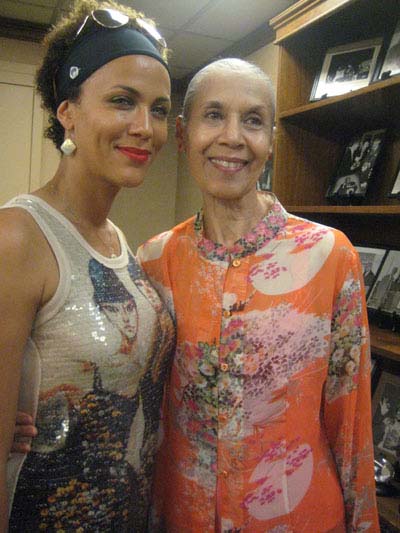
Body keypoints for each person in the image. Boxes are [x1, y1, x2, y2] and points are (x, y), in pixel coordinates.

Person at [137, 58, 379, 532]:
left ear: (270, 140)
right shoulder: (154, 261)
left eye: (252, 121)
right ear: (184, 135)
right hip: (182, 517)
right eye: (214, 115)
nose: (232, 137)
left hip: (298, 516)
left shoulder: (329, 256)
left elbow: (352, 425)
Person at [0, 1, 175, 531]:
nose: (144, 127)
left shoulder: (118, 241)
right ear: (67, 112)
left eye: (160, 108)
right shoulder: (19, 237)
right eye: (122, 101)